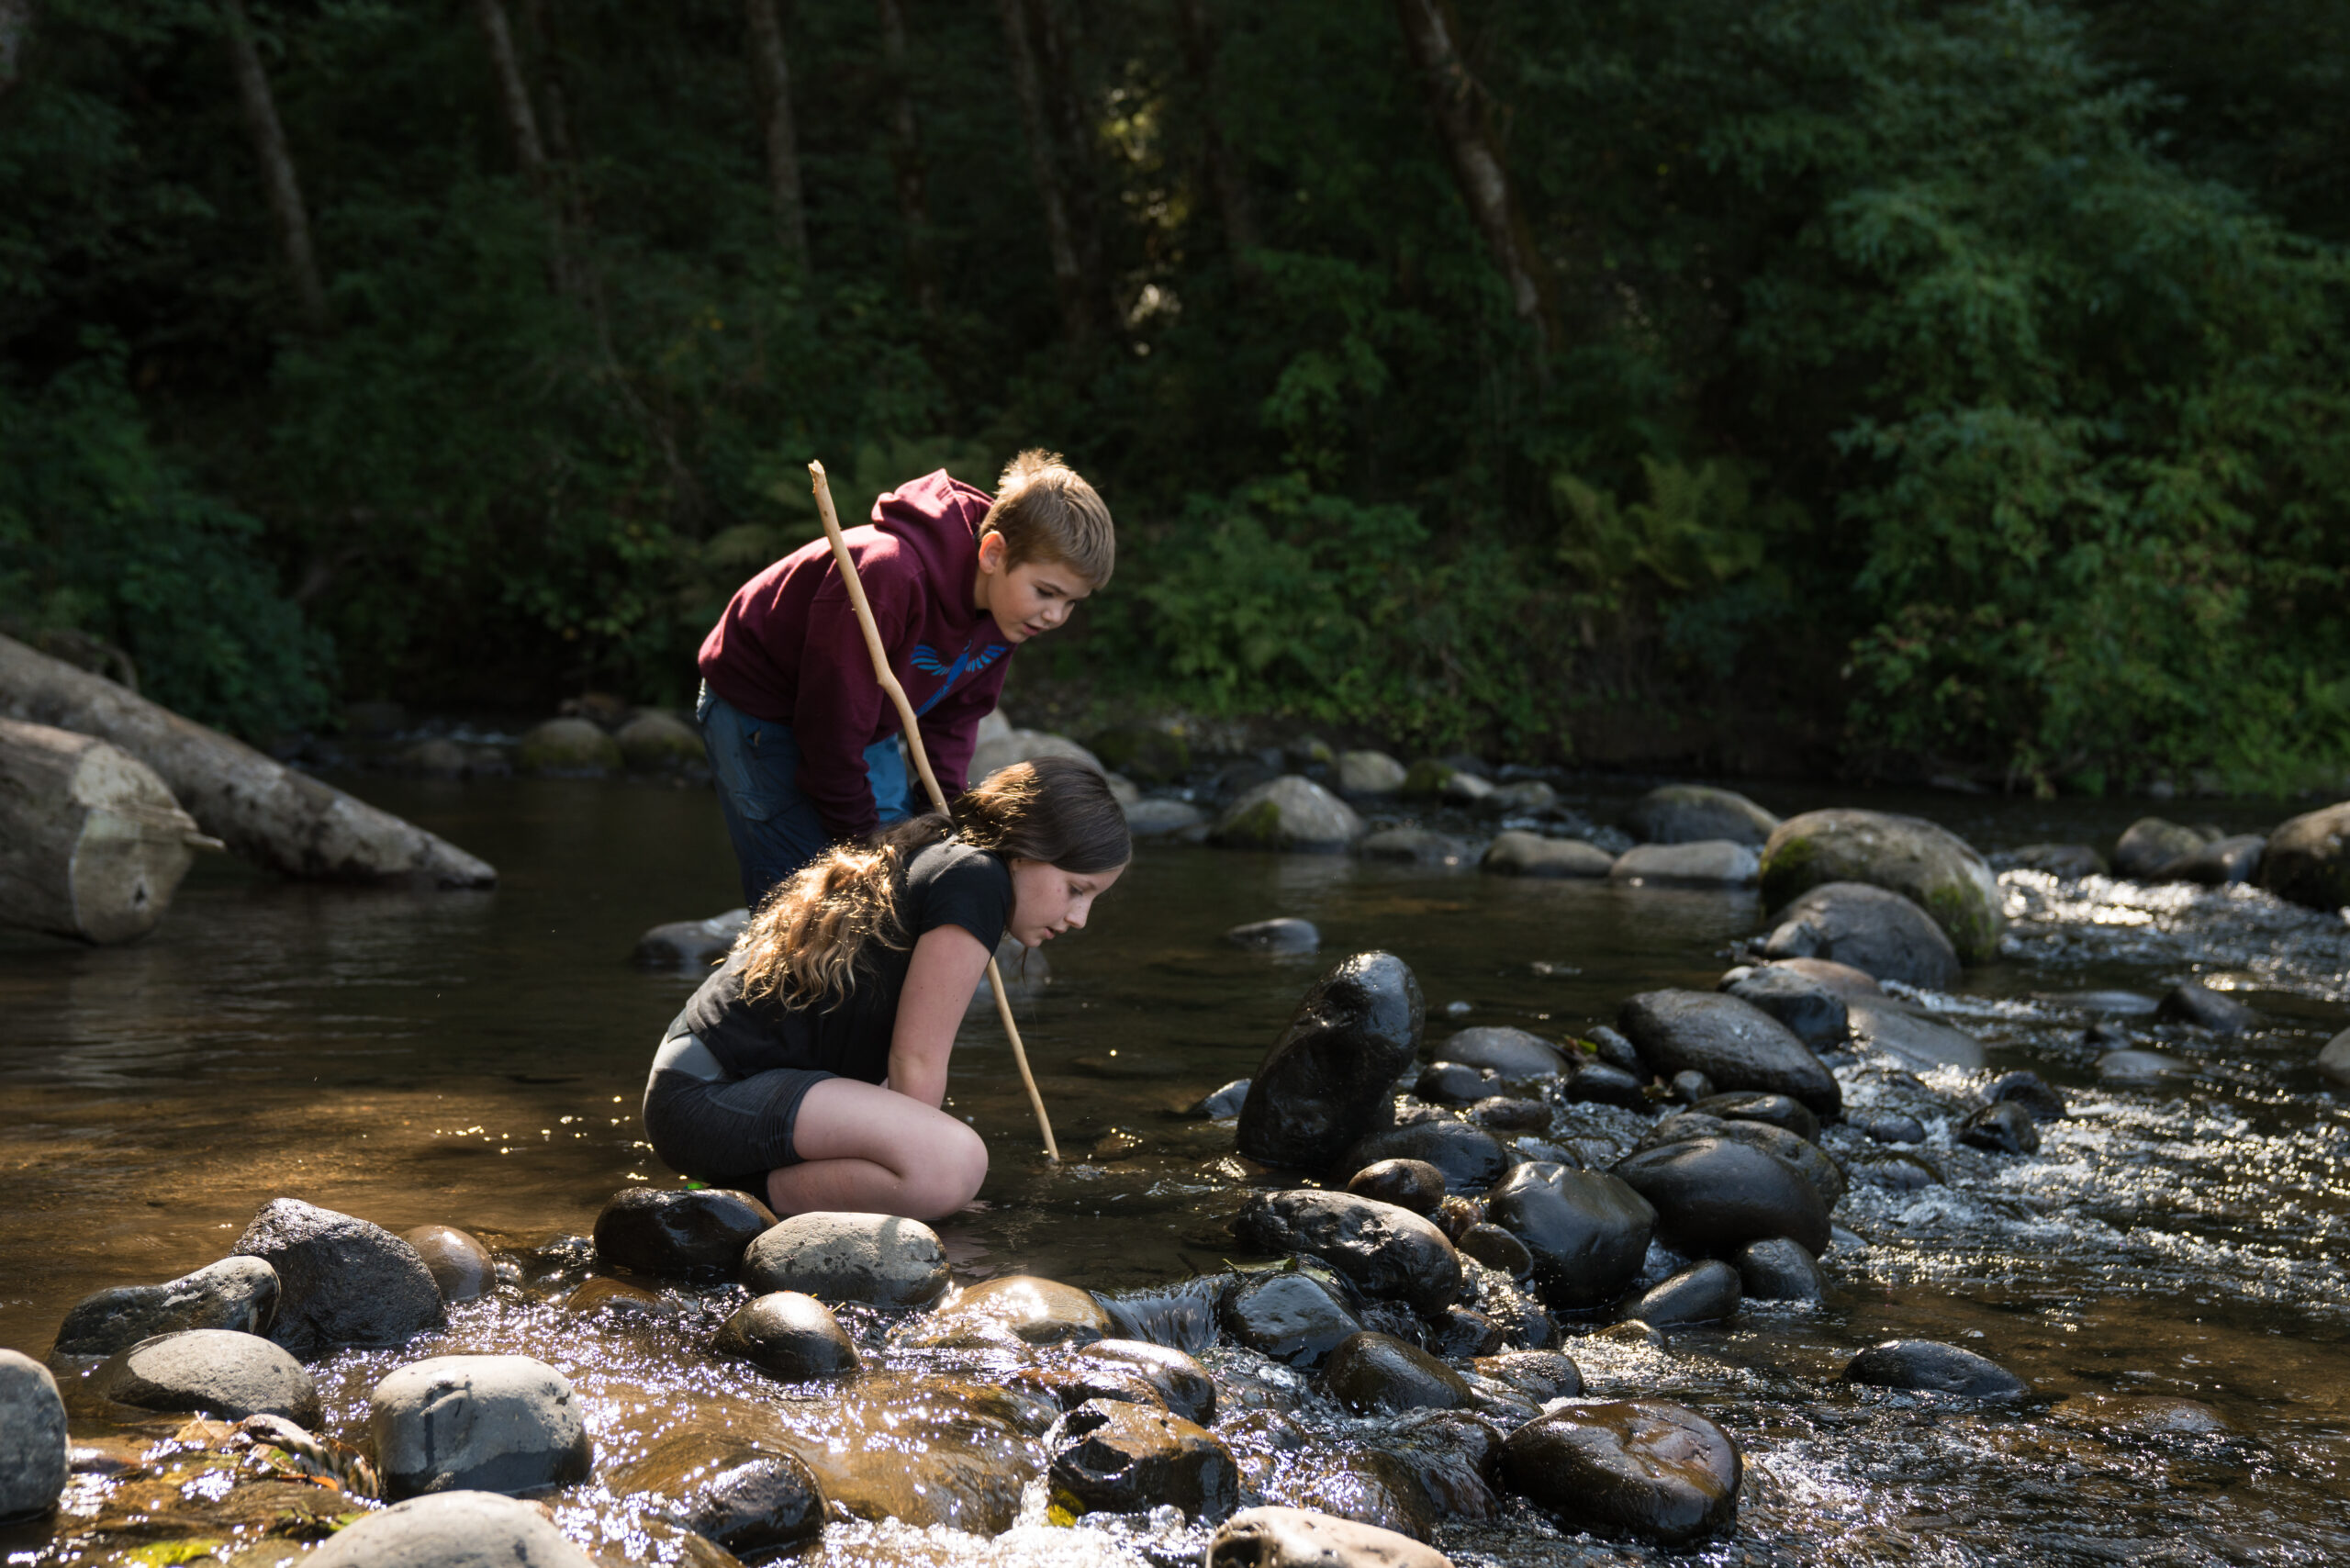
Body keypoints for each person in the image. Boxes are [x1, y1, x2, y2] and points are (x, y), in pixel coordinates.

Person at [643, 757, 1129, 1220]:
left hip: (702, 1091)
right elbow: (916, 1063)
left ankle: (739, 1195)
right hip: (709, 1098)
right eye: (1076, 889)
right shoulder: (977, 880)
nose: (1079, 919)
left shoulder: (946, 854)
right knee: (953, 1164)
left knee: (942, 1163)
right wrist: (928, 1182)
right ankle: (733, 1204)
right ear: (1027, 851)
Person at [695, 450, 1115, 906]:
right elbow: (829, 733)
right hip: (762, 709)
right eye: (1047, 593)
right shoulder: (888, 575)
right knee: (803, 890)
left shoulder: (1010, 610)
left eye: (1072, 602)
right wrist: (861, 843)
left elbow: (955, 717)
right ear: (994, 553)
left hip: (868, 715)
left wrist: (948, 816)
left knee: (900, 878)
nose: (1055, 616)